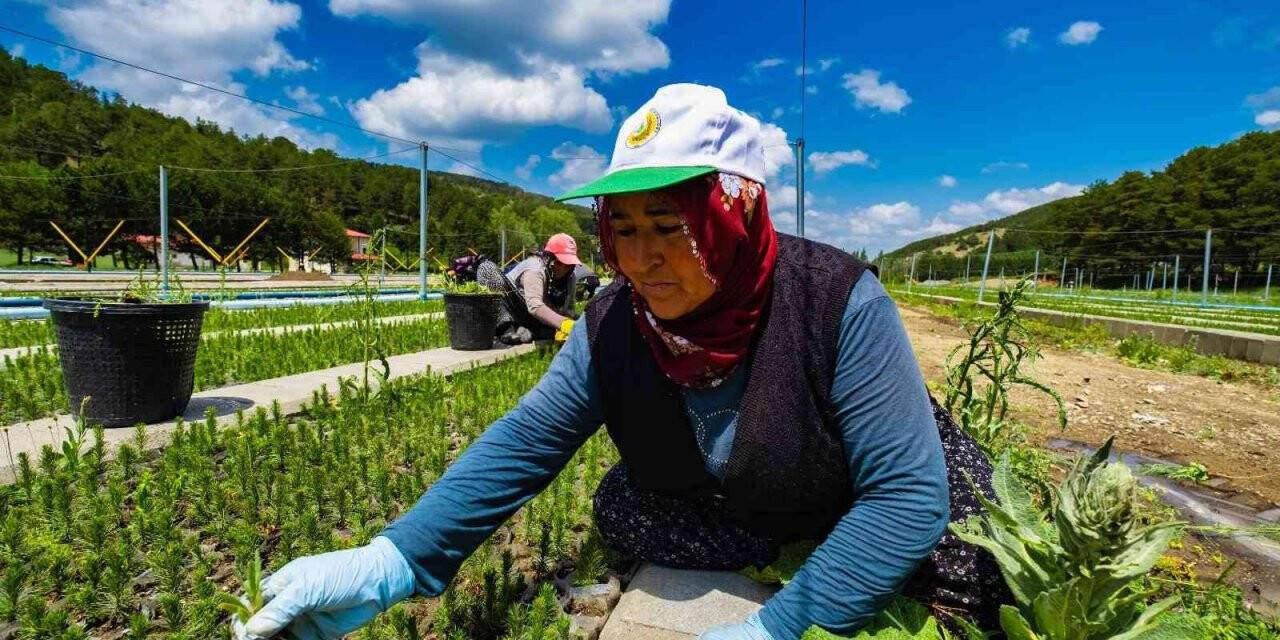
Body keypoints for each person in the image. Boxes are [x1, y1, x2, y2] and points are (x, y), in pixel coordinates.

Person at [233, 84, 1006, 640]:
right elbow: (527, 440)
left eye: (671, 225)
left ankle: (838, 555)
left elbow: (904, 492)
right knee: (624, 505)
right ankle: (801, 547)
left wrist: (780, 627)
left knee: (967, 550)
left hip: (854, 478)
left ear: (735, 215)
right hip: (755, 494)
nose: (644, 259)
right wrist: (394, 558)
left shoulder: (836, 302)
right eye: (624, 228)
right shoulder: (614, 322)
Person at [501, 234, 582, 343]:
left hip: (537, 316)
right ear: (548, 258)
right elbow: (535, 306)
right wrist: (563, 323)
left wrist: (573, 322)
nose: (563, 268)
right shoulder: (535, 269)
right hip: (514, 308)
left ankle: (530, 331)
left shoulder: (571, 276)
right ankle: (511, 330)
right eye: (558, 262)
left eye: (568, 264)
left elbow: (569, 308)